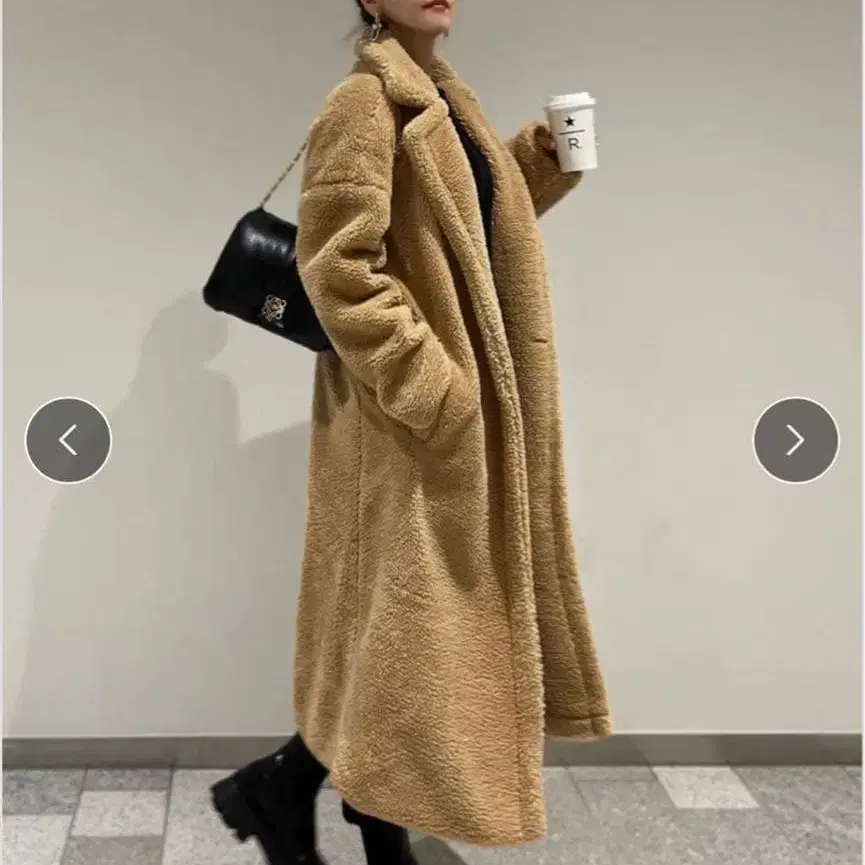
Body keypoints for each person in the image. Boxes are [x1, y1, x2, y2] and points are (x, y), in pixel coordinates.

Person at [211, 1, 612, 863]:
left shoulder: (442, 95)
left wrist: (535, 162)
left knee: (395, 640)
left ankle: (279, 790)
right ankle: (348, 820)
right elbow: (336, 267)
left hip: (437, 429)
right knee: (406, 643)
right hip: (402, 430)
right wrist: (433, 389)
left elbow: (455, 234)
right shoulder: (363, 103)